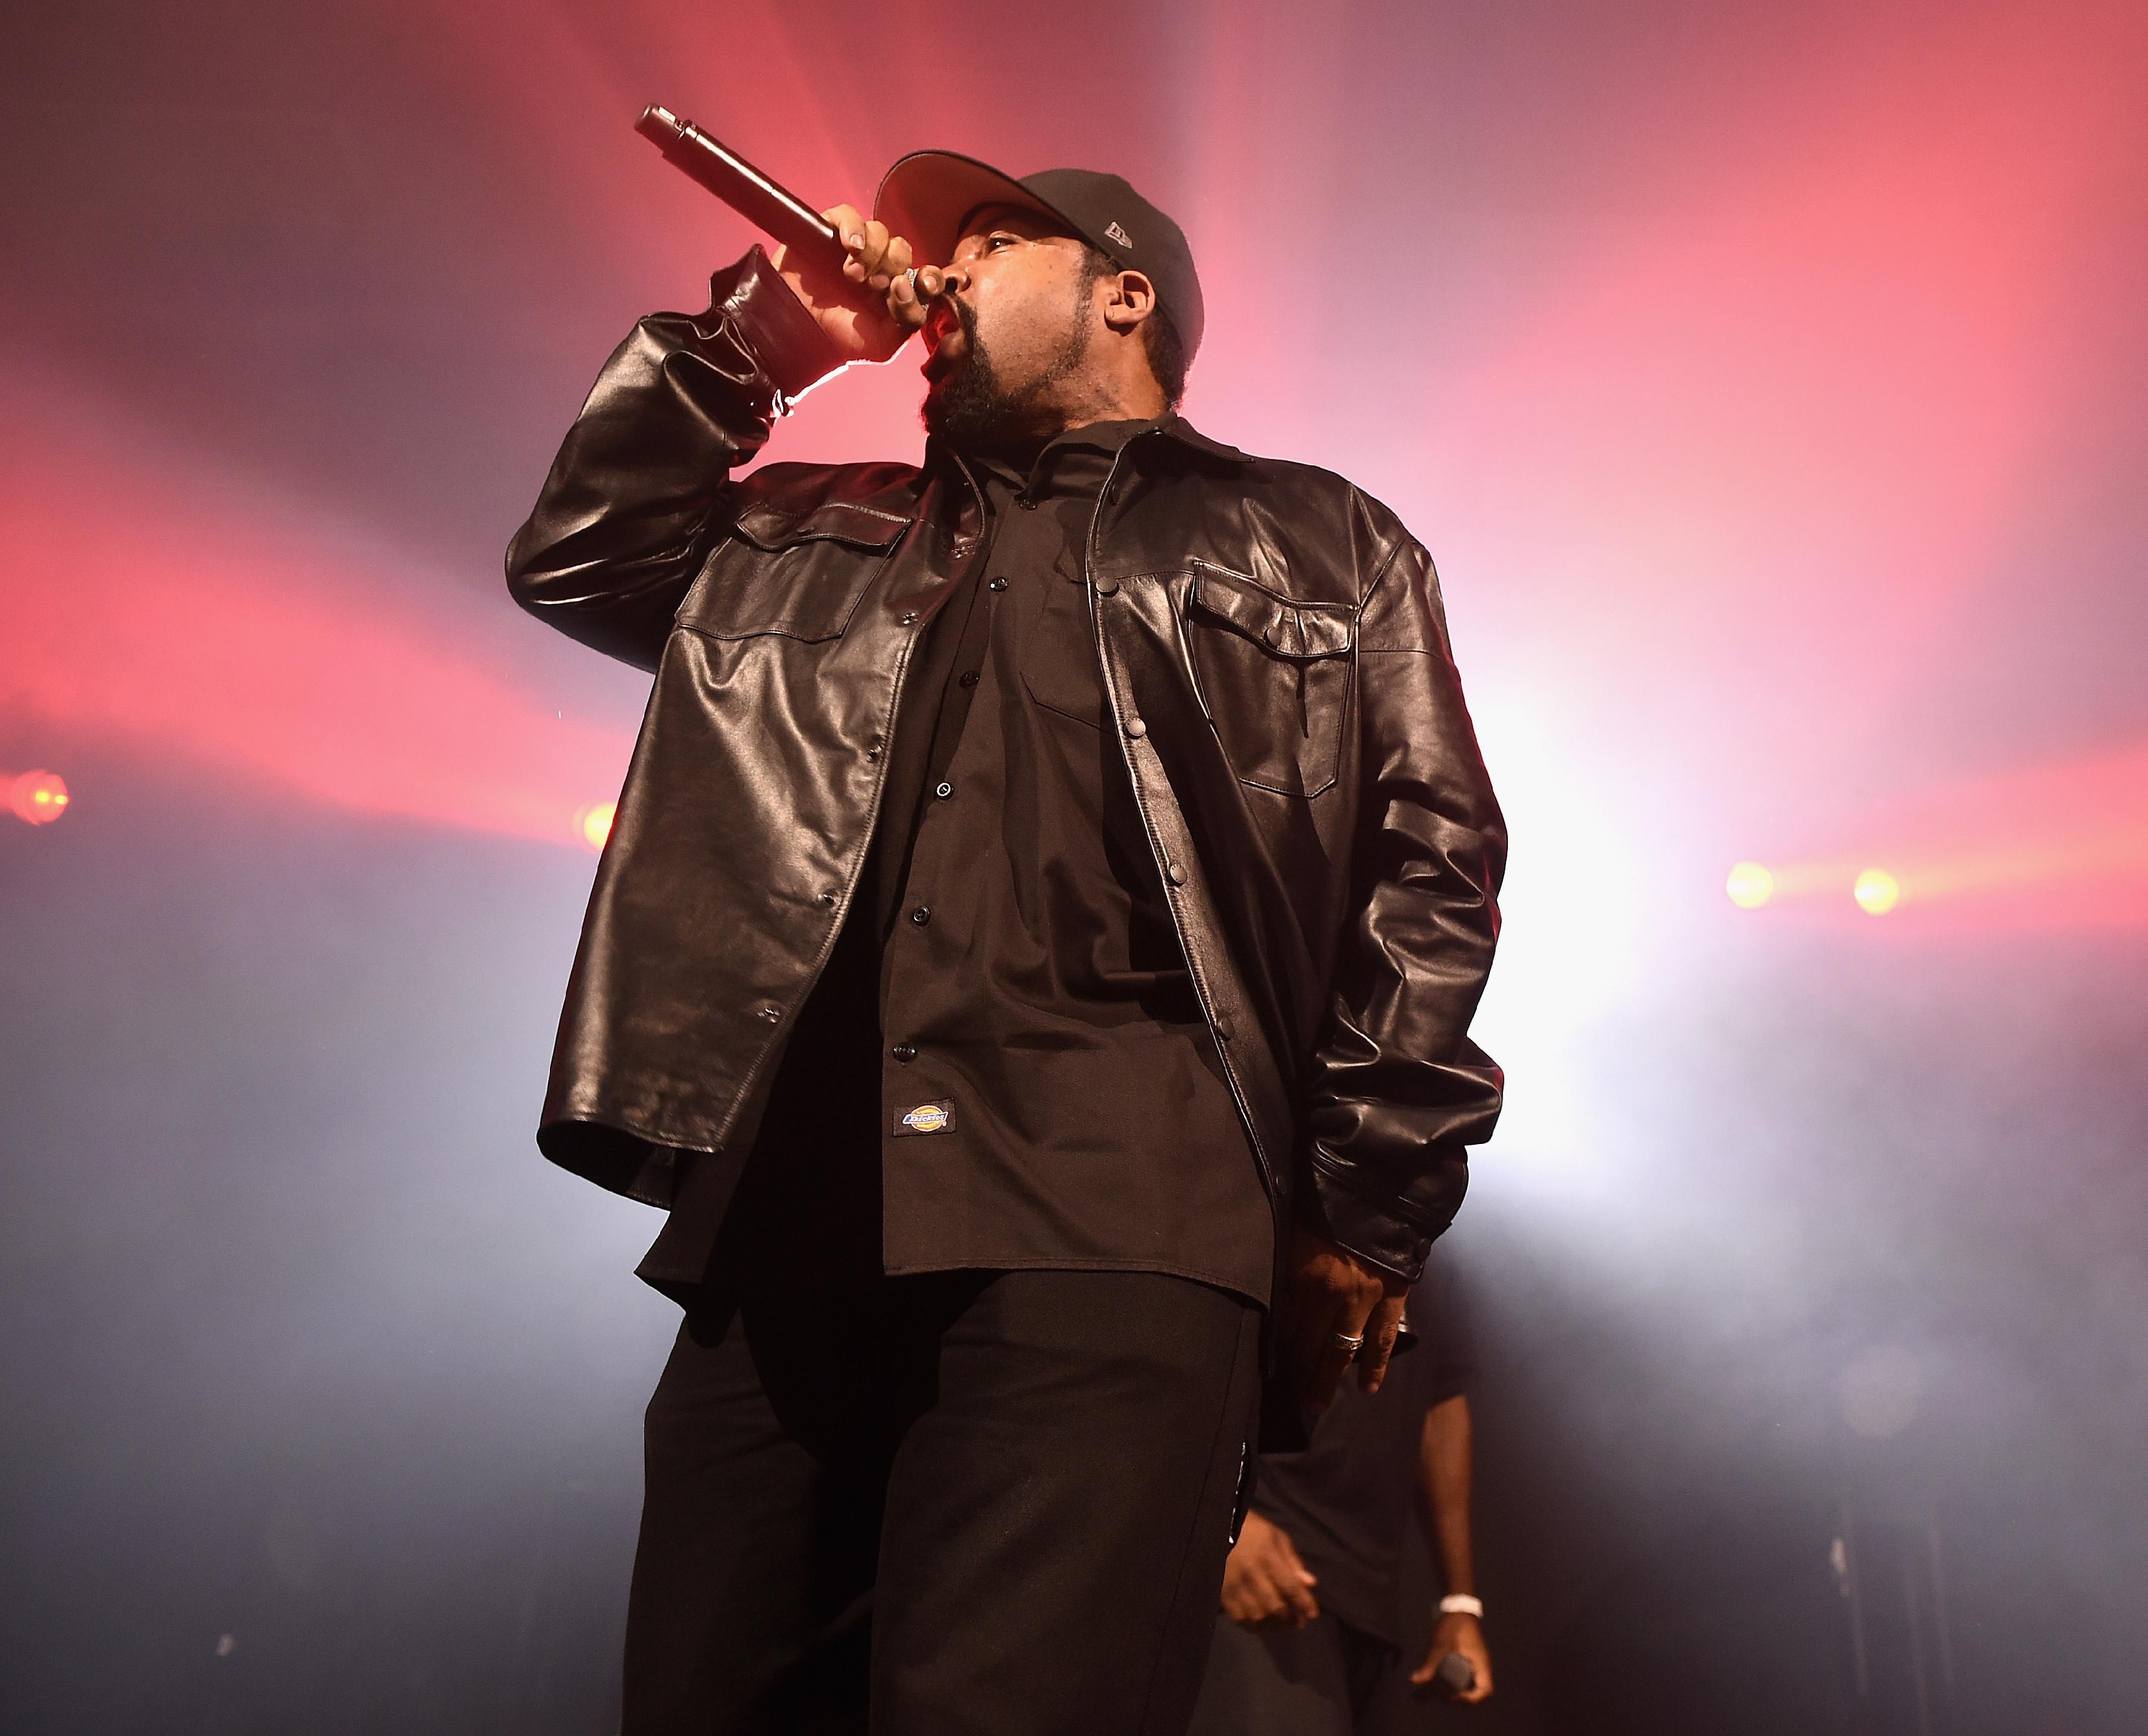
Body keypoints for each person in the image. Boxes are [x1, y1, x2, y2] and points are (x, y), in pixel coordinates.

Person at [505, 149, 1505, 1734]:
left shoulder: (1315, 542)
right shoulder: (807, 536)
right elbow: (579, 557)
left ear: (1122, 293)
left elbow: (1428, 856)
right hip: (793, 1234)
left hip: (1115, 1232)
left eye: (990, 240)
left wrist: (1368, 1196)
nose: (939, 270)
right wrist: (762, 341)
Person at [1188, 1257, 1492, 1734]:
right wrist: (1218, 1519)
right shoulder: (1271, 1191)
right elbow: (1176, 1347)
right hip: (1267, 1576)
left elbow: (1442, 1398)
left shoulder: (1437, 1247)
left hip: (1370, 1603)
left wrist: (1459, 1600)